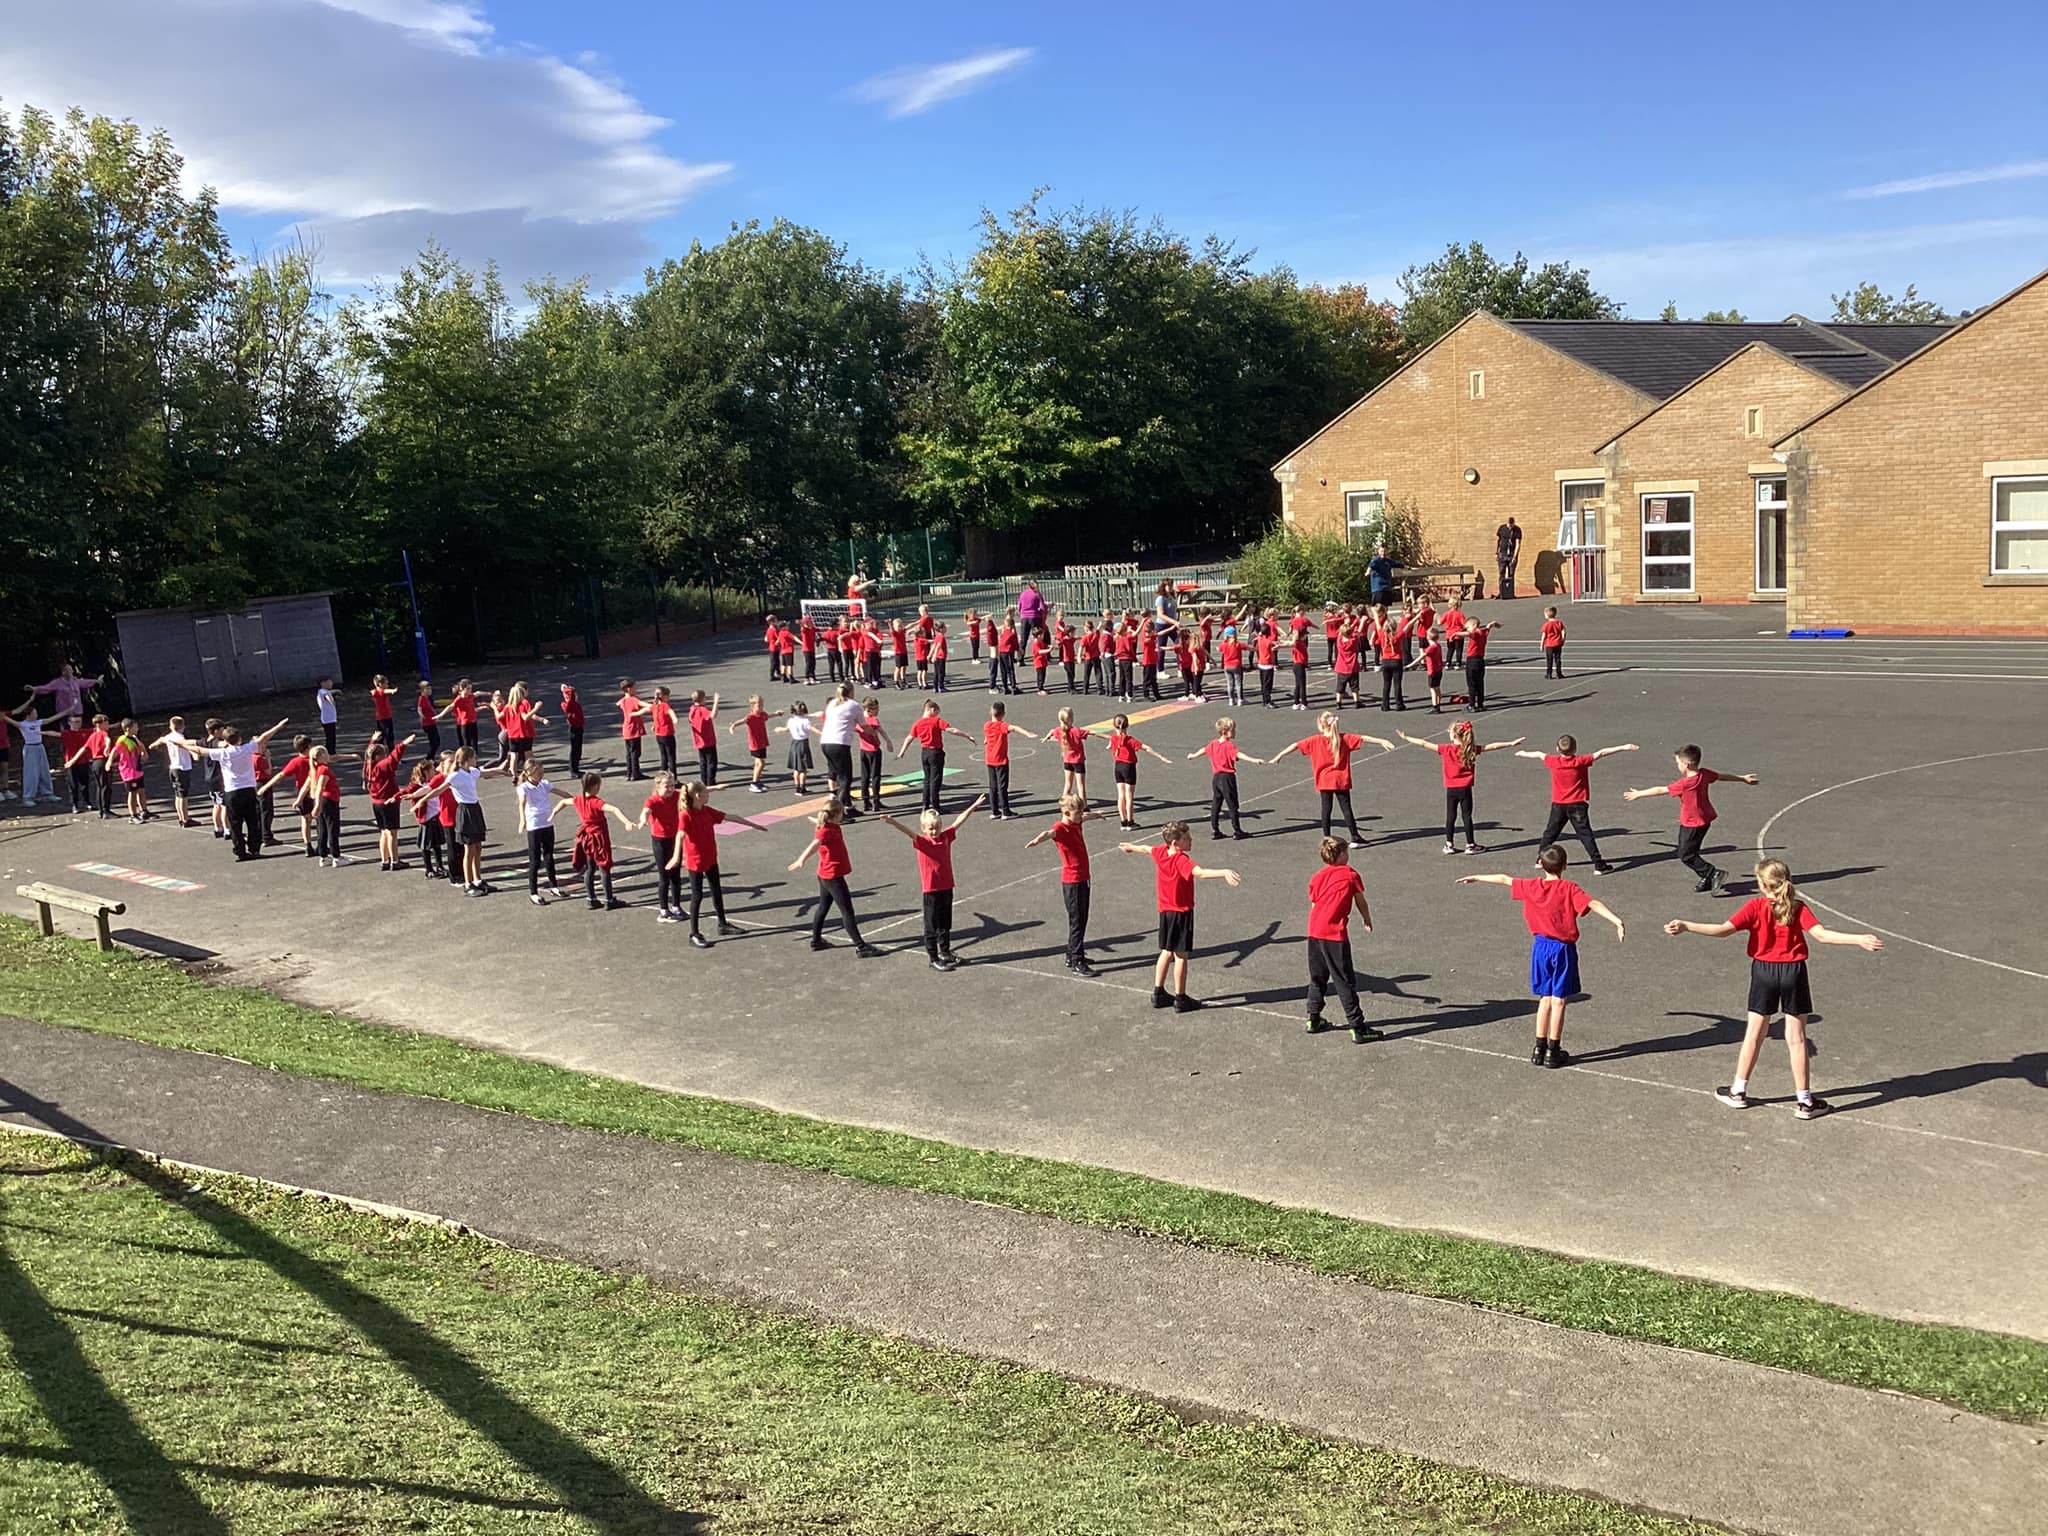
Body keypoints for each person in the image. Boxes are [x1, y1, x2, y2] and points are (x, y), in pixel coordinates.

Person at [1664, 859, 1883, 1120]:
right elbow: (1822, 935)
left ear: (1761, 884)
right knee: (1797, 1037)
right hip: (1793, 973)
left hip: (1763, 972)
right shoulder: (1797, 908)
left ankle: (1738, 1091)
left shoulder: (1756, 907)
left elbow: (1723, 930)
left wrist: (1688, 926)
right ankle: (1804, 1101)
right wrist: (1858, 939)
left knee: (1754, 1034)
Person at [1457, 845, 1625, 1068]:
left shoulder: (1532, 886)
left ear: (1541, 865)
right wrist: (1617, 921)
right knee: (1559, 1000)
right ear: (1565, 866)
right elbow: (1592, 904)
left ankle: (1539, 1048)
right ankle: (1553, 1050)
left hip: (1540, 948)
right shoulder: (1568, 888)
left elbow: (1504, 878)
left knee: (1544, 998)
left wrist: (1476, 876)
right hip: (1562, 950)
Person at [1117, 820, 1242, 1013]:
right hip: (1181, 912)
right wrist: (1223, 872)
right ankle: (1181, 997)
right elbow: (1199, 873)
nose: (1190, 840)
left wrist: (1131, 847)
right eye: (1186, 838)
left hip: (1165, 912)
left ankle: (1158, 993)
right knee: (1181, 955)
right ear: (1175, 843)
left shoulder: (1161, 852)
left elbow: (1146, 848)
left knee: (1167, 951)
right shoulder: (1181, 860)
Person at [1622, 745, 1759, 894]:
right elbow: (1721, 776)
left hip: (1692, 824)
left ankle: (1712, 873)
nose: (1677, 766)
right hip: (1705, 820)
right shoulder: (1704, 774)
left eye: (1678, 763)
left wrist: (1639, 793)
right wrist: (1742, 779)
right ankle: (1707, 879)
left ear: (1686, 765)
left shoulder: (1685, 784)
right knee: (1691, 851)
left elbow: (1661, 790)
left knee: (1686, 855)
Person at [878, 795, 988, 970]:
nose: (934, 831)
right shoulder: (922, 842)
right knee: (931, 925)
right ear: (923, 828)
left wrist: (974, 806)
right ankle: (933, 957)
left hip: (947, 886)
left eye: (936, 827)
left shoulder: (946, 837)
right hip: (931, 889)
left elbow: (959, 820)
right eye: (930, 828)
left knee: (945, 922)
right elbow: (908, 832)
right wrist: (893, 822)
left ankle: (945, 951)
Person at [1266, 712, 1393, 847]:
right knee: (1346, 808)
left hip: (1324, 780)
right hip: (1340, 780)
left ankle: (1327, 837)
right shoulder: (1343, 738)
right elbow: (1363, 738)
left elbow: (1295, 745)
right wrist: (1382, 741)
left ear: (1321, 725)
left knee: (1326, 809)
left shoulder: (1314, 740)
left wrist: (1279, 756)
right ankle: (1355, 837)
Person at [1397, 721, 1522, 855]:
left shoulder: (1446, 749)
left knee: (1451, 816)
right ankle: (1470, 844)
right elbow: (1492, 746)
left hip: (1451, 788)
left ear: (1454, 735)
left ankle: (1449, 844)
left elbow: (1423, 743)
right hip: (1465, 788)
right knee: (1467, 816)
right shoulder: (1470, 749)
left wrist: (1406, 737)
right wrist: (1510, 743)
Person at [1515, 735, 1635, 874]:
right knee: (1586, 835)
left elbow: (1539, 754)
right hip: (1577, 805)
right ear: (1575, 749)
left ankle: (1541, 859)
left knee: (1550, 833)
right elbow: (1601, 753)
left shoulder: (1553, 761)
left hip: (1558, 804)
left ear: (1557, 749)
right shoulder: (1580, 761)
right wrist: (1624, 747)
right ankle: (1598, 864)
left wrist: (1523, 753)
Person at [1303, 837, 1382, 1043]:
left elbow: (1314, 905)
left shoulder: (1317, 877)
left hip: (1314, 933)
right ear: (1340, 855)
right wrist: (1367, 919)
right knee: (1344, 981)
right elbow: (1361, 902)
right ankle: (1357, 1027)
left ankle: (1313, 1018)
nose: (1348, 856)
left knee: (1317, 978)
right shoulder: (1350, 875)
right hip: (1334, 936)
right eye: (1346, 852)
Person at [1025, 794, 1110, 976]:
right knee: (1077, 920)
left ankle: (1071, 954)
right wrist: (1037, 840)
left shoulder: (1075, 822)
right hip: (1073, 881)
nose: (1080, 816)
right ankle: (1077, 960)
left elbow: (1085, 818)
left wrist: (1096, 814)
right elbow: (1049, 833)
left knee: (1082, 918)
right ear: (1066, 812)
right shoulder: (1061, 828)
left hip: (1084, 877)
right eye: (1077, 813)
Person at [789, 801, 882, 956]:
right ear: (837, 815)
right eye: (841, 814)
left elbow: (820, 826)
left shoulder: (830, 826)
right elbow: (815, 844)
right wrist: (801, 860)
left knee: (823, 907)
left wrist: (816, 820)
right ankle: (861, 947)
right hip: (833, 876)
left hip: (826, 875)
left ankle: (816, 941)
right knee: (847, 912)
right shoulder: (825, 831)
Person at [1188, 717, 1265, 840]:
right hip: (1227, 778)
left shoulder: (1213, 743)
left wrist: (1193, 755)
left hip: (1216, 778)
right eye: (1233, 730)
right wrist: (1254, 760)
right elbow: (1238, 754)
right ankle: (1237, 830)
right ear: (1225, 732)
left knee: (1216, 804)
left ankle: (1215, 830)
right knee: (1232, 805)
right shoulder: (1229, 745)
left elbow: (1204, 750)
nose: (1235, 732)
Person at [568, 772, 633, 910]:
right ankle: (609, 900)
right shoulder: (595, 802)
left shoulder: (578, 800)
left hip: (586, 837)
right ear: (595, 786)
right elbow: (614, 809)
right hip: (598, 837)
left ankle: (591, 898)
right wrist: (627, 822)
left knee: (590, 868)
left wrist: (553, 813)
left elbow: (563, 802)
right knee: (604, 867)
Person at [897, 701, 973, 814]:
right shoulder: (936, 721)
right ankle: (936, 806)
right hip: (935, 752)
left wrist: (902, 752)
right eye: (937, 712)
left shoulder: (918, 723)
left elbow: (909, 738)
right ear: (932, 710)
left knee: (927, 779)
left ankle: (925, 804)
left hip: (925, 752)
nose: (937, 714)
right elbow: (951, 730)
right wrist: (967, 736)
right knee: (935, 780)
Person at [362, 729, 419, 871]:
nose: (385, 756)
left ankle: (385, 860)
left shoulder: (369, 767)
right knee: (392, 833)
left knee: (383, 832)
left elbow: (369, 753)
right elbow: (394, 757)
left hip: (376, 803)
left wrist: (373, 741)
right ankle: (395, 860)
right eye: (382, 754)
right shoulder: (382, 766)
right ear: (377, 756)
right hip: (388, 802)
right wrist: (404, 743)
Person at [1107, 714, 1171, 830]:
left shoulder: (1113, 738)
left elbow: (1111, 743)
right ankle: (1130, 821)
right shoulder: (1130, 740)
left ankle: (1123, 821)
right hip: (1129, 767)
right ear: (1127, 726)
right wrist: (1160, 756)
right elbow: (1146, 748)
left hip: (1118, 766)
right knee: (1129, 795)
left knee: (1121, 795)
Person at [639, 772, 686, 922]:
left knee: (676, 876)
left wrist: (715, 788)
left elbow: (694, 791)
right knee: (664, 877)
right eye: (667, 786)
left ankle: (677, 907)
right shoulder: (653, 801)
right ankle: (664, 911)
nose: (671, 788)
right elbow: (645, 811)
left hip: (675, 840)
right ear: (658, 786)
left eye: (673, 785)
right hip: (660, 841)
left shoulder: (677, 796)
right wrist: (643, 820)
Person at [818, 682, 861, 812]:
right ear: (851, 692)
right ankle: (839, 812)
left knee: (836, 773)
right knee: (845, 778)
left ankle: (848, 806)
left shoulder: (832, 703)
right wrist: (874, 734)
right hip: (840, 744)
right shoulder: (854, 705)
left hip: (826, 742)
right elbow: (863, 725)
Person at [4, 701, 56, 808]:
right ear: (29, 715)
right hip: (30, 748)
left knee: (44, 770)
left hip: (40, 747)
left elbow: (53, 718)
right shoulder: (22, 725)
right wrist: (3, 716)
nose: (36, 715)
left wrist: (68, 710)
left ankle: (47, 793)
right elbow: (8, 720)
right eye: (34, 713)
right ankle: (28, 797)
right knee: (31, 772)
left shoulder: (38, 722)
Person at [982, 702, 1027, 819]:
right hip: (1000, 760)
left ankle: (995, 810)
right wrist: (1028, 734)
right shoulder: (1002, 726)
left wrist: (986, 740)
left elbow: (986, 738)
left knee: (993, 787)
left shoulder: (987, 725)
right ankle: (1006, 811)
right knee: (1002, 787)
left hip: (990, 760)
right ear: (1003, 714)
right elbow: (1014, 728)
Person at [1043, 707, 1090, 804]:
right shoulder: (1076, 731)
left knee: (1068, 784)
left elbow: (1052, 731)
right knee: (1080, 786)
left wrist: (1046, 737)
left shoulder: (1058, 730)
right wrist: (1107, 737)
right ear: (1071, 719)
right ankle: (1084, 806)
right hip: (1078, 761)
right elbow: (1091, 732)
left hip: (1067, 760)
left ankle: (1063, 803)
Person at [25, 664, 101, 722]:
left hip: (77, 711)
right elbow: (45, 688)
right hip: (64, 712)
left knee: (76, 730)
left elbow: (86, 682)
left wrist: (96, 681)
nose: (72, 672)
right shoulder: (57, 682)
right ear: (63, 672)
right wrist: (33, 688)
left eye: (71, 670)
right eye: (69, 670)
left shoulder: (75, 681)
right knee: (65, 732)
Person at [730, 695, 775, 794]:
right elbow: (741, 721)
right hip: (755, 743)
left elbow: (768, 716)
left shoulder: (762, 714)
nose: (761, 707)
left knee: (758, 763)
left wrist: (777, 714)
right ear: (752, 706)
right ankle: (754, 783)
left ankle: (757, 781)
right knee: (761, 763)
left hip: (762, 742)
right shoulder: (750, 717)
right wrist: (733, 726)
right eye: (759, 705)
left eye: (762, 705)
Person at [1461, 612, 1502, 711]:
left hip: (1472, 660)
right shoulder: (1484, 633)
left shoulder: (1475, 634)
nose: (1467, 629)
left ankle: (1471, 704)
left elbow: (1468, 634)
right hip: (1480, 661)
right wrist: (1493, 624)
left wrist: (1455, 634)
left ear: (1474, 626)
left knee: (1472, 684)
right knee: (1480, 683)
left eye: (1468, 627)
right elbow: (1488, 627)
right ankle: (1480, 704)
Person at [616, 681, 653, 781]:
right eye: (634, 688)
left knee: (629, 752)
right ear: (629, 689)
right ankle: (635, 773)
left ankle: (630, 772)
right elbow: (643, 704)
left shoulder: (623, 700)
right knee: (635, 752)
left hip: (627, 729)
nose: (636, 690)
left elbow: (618, 703)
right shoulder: (633, 699)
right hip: (634, 729)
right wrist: (653, 705)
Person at [780, 702, 816, 795]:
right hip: (803, 744)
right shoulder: (805, 721)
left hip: (794, 744)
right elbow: (812, 729)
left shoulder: (791, 721)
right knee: (803, 769)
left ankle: (797, 788)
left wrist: (780, 729)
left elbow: (786, 729)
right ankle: (802, 787)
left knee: (796, 769)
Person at [687, 689, 721, 786]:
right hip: (708, 740)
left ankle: (704, 780)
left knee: (703, 761)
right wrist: (716, 702)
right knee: (712, 761)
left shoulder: (692, 709)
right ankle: (711, 780)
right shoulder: (702, 710)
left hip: (699, 740)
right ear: (702, 699)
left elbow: (690, 719)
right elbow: (713, 715)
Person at [559, 683, 585, 776]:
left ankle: (576, 768)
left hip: (579, 727)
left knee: (578, 750)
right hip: (575, 728)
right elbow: (570, 698)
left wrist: (565, 688)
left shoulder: (573, 704)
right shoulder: (568, 704)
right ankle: (573, 770)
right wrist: (566, 690)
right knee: (575, 750)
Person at [1017, 579, 1048, 654]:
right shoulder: (1037, 594)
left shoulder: (1023, 594)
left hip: (1024, 617)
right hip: (1035, 616)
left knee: (1023, 638)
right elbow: (1042, 607)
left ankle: (1020, 658)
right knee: (1038, 636)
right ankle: (1041, 653)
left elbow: (1019, 606)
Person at [1496, 517, 1523, 597]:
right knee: (1501, 573)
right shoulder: (1502, 528)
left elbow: (1518, 543)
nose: (1510, 527)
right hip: (1502, 554)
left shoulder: (1517, 530)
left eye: (1511, 526)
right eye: (1509, 525)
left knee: (1511, 574)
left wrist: (1515, 556)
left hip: (1511, 555)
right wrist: (1496, 552)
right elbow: (1498, 541)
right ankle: (1501, 592)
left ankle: (1510, 592)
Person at [1367, 544, 1398, 610]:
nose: (1383, 553)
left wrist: (1409, 568)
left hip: (1387, 587)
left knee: (1385, 607)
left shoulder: (1388, 561)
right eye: (1381, 551)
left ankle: (1384, 618)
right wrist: (1368, 572)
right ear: (1378, 551)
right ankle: (1377, 619)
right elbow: (1370, 566)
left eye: (1385, 551)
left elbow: (1397, 564)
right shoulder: (1376, 560)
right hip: (1378, 587)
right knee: (1376, 607)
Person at [1540, 606, 1567, 679]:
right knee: (1558, 659)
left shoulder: (1546, 625)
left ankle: (1549, 674)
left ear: (1547, 615)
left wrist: (1541, 645)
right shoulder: (1559, 623)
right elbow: (1563, 631)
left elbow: (1544, 635)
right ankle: (1559, 673)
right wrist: (1563, 639)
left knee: (1549, 660)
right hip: (1558, 643)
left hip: (1549, 645)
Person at [369, 675, 397, 746]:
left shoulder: (377, 692)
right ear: (380, 684)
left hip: (384, 717)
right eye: (386, 684)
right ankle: (388, 750)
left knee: (383, 735)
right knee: (388, 736)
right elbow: (385, 691)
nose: (387, 685)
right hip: (384, 717)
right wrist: (392, 691)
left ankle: (381, 748)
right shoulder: (378, 692)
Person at [315, 677, 339, 756]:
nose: (331, 684)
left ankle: (329, 751)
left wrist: (335, 691)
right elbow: (327, 696)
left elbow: (329, 692)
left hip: (329, 718)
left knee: (330, 735)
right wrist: (331, 701)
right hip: (328, 719)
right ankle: (330, 752)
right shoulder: (323, 692)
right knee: (330, 737)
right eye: (329, 682)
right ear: (323, 683)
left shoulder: (322, 691)